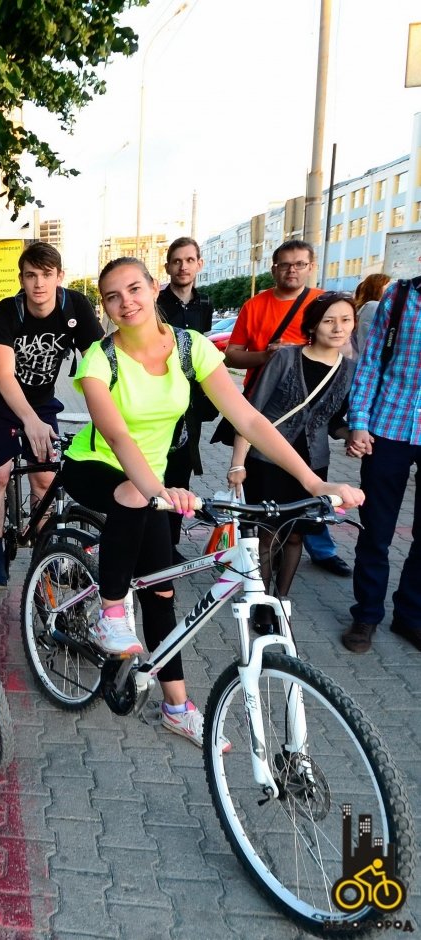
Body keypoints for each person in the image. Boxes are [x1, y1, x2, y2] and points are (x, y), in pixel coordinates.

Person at [60, 258, 362, 747]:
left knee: (161, 593)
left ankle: (177, 707)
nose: (126, 302)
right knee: (134, 493)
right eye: (112, 296)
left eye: (134, 288)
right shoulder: (100, 359)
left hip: (151, 482)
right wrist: (158, 491)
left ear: (154, 288)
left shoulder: (190, 346)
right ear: (105, 306)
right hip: (97, 468)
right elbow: (116, 436)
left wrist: (313, 483)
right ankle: (109, 609)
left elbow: (250, 419)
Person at [227, 293, 357, 629]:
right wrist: (237, 462)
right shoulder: (286, 358)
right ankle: (262, 602)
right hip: (267, 460)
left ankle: (281, 598)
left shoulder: (349, 369)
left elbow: (333, 421)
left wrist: (353, 436)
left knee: (297, 535)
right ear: (313, 325)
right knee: (269, 534)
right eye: (329, 320)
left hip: (314, 465)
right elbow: (251, 411)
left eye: (345, 320)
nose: (338, 327)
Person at [0, 242, 104, 587]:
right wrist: (29, 421)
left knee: (45, 479)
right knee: (0, 474)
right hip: (0, 402)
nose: (38, 284)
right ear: (21, 279)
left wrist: (109, 417)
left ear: (60, 277)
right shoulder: (7, 311)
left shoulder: (75, 306)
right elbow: (3, 375)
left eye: (46, 275)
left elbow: (99, 362)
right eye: (30, 275)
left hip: (43, 401)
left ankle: (43, 547)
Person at [224, 238, 350, 577]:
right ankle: (262, 595)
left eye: (300, 264)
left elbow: (334, 414)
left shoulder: (327, 309)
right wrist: (269, 355)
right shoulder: (256, 306)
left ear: (311, 266)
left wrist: (354, 433)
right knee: (267, 527)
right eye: (285, 264)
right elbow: (233, 358)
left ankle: (295, 584)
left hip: (312, 448)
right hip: (267, 430)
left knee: (299, 527)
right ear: (274, 269)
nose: (337, 327)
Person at [343, 276, 421, 654]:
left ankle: (410, 613)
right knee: (376, 528)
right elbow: (371, 360)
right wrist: (358, 421)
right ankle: (367, 614)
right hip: (388, 423)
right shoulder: (400, 295)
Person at [156, 237, 215, 561]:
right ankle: (155, 541)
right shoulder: (157, 302)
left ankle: (171, 544)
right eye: (177, 261)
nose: (183, 266)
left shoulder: (204, 305)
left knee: (181, 474)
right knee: (155, 472)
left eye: (189, 260)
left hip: (190, 405)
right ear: (167, 266)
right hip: (160, 398)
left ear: (198, 264)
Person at [353, 272, 391, 354]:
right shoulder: (373, 306)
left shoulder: (368, 306)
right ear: (377, 288)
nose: (392, 288)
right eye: (388, 285)